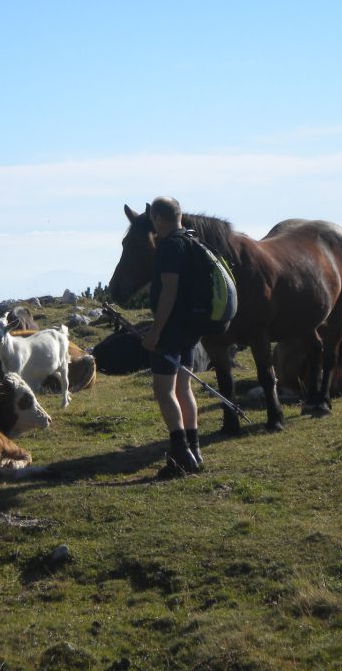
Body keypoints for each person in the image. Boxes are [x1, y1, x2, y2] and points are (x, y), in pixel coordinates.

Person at [141, 196, 203, 476]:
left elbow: (169, 291)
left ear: (157, 219)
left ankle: (180, 457)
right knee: (184, 389)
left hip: (171, 330)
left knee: (164, 391)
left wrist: (156, 331)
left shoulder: (169, 246)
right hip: (192, 329)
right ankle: (194, 450)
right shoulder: (192, 241)